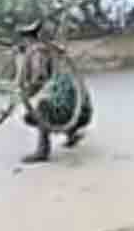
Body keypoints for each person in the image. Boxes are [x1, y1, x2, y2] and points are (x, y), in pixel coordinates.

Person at [17, 22, 93, 164]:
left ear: (26, 40)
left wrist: (25, 94)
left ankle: (42, 150)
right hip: (83, 112)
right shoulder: (53, 50)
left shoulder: (36, 53)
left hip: (69, 109)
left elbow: (39, 78)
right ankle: (71, 133)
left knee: (38, 110)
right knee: (58, 100)